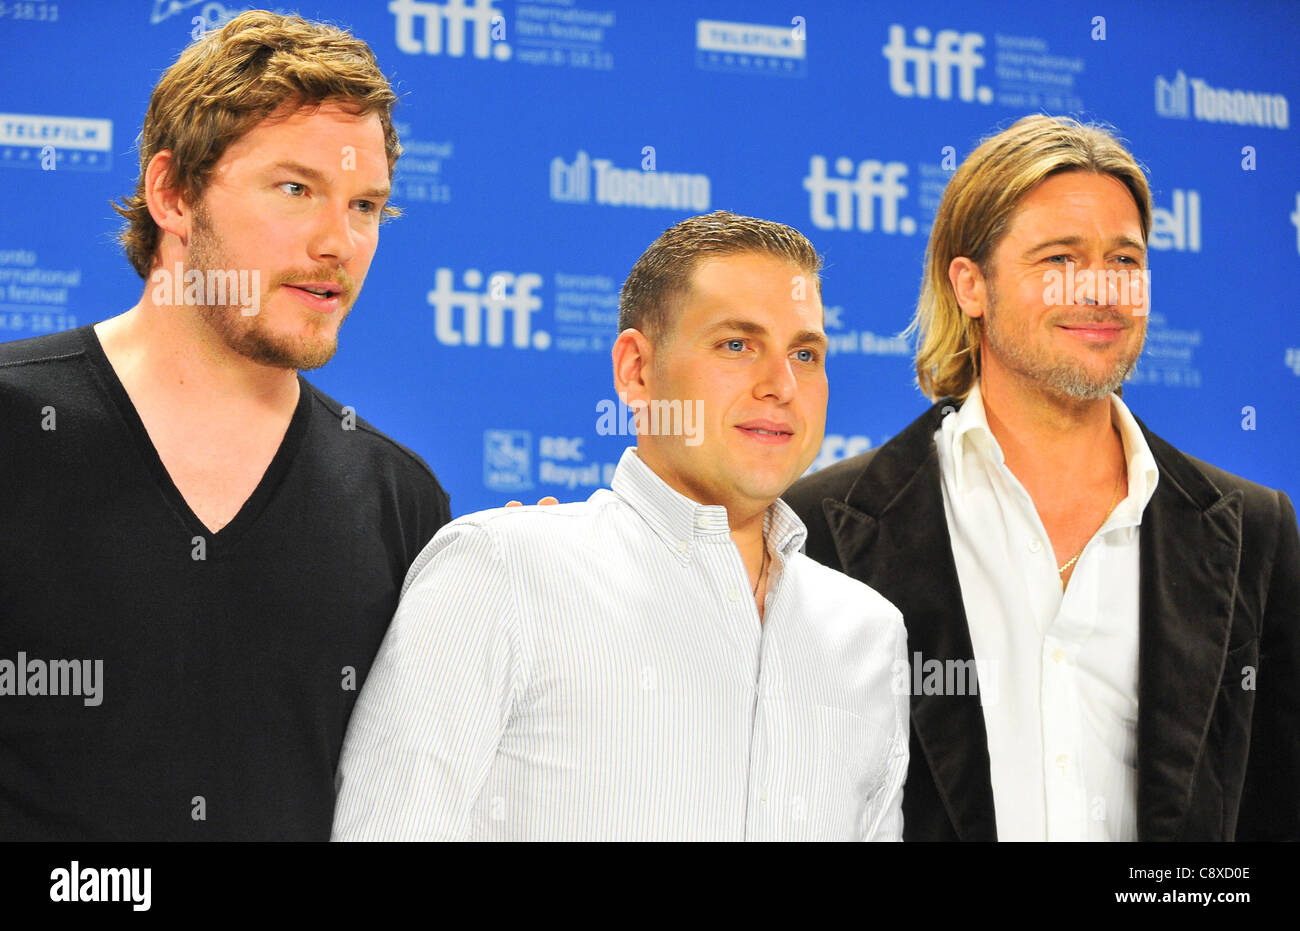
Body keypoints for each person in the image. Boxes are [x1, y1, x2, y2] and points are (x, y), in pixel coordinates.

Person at [785, 115, 1300, 841]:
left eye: (1125, 261)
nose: (1101, 291)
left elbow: (1275, 810)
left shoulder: (1254, 530)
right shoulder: (820, 524)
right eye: (1059, 258)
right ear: (971, 284)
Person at [0, 11, 450, 840]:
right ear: (173, 192)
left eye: (366, 205)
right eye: (295, 189)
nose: (338, 241)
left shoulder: (403, 502)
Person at [332, 211, 907, 841]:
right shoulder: (501, 570)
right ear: (635, 370)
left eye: (806, 353)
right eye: (736, 344)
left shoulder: (868, 632)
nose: (781, 385)